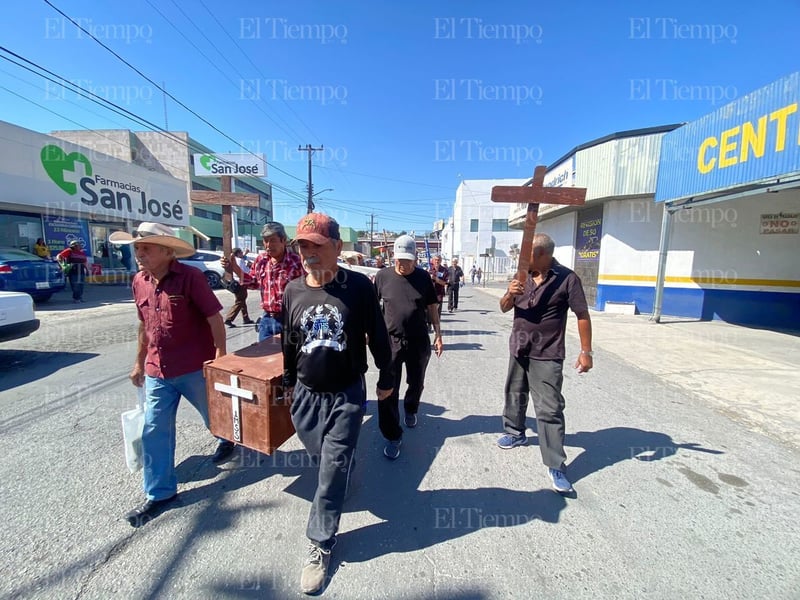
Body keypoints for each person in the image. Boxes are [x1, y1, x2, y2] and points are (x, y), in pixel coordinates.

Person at [281, 213, 393, 594]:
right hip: (306, 396)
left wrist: (387, 379)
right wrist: (288, 383)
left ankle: (320, 542)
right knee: (323, 458)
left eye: (317, 245)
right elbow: (289, 341)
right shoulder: (292, 290)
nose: (308, 253)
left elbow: (377, 334)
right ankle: (339, 471)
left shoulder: (359, 287)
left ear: (337, 247)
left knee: (331, 468)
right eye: (303, 246)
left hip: (346, 393)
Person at [109, 222, 235, 527]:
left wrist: (220, 356)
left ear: (167, 251)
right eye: (137, 248)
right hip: (157, 369)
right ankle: (160, 494)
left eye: (146, 248)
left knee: (215, 417)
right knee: (154, 430)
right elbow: (143, 326)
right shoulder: (139, 281)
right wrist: (139, 362)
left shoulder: (190, 277)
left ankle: (227, 439)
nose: (139, 253)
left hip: (194, 367)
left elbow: (214, 318)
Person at [496, 233, 593, 494]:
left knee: (549, 409)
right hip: (519, 346)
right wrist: (509, 293)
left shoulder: (567, 279)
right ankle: (515, 432)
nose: (521, 261)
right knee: (515, 394)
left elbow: (582, 314)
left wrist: (586, 351)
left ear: (543, 255)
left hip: (548, 352)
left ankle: (555, 464)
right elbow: (504, 307)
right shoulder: (522, 277)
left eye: (526, 256)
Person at [374, 235, 443, 459]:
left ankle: (411, 408)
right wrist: (368, 333)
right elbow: (373, 307)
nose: (404, 264)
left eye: (409, 260)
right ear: (394, 257)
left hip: (418, 341)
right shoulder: (382, 276)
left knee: (416, 382)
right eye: (401, 260)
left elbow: (432, 306)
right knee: (389, 388)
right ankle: (393, 434)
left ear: (415, 258)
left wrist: (439, 334)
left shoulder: (423, 278)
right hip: (391, 342)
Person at [223, 221, 304, 341]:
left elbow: (308, 291)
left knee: (290, 358)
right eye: (265, 241)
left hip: (291, 320)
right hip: (267, 320)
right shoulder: (261, 260)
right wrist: (235, 268)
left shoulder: (296, 262)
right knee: (264, 355)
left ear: (283, 240)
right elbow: (253, 282)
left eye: (272, 240)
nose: (268, 245)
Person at [223, 247, 254, 328]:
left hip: (235, 282)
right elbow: (243, 272)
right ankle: (229, 318)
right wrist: (249, 266)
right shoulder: (240, 261)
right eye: (241, 253)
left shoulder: (235, 260)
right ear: (238, 253)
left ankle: (246, 318)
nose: (242, 254)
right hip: (241, 282)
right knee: (240, 301)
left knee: (242, 300)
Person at [427, 254, 448, 327]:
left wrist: (436, 279)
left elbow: (445, 283)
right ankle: (429, 324)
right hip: (429, 293)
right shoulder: (429, 269)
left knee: (437, 312)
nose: (437, 261)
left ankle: (436, 327)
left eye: (438, 260)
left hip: (439, 294)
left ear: (441, 261)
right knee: (429, 311)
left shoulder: (444, 270)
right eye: (435, 260)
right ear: (432, 260)